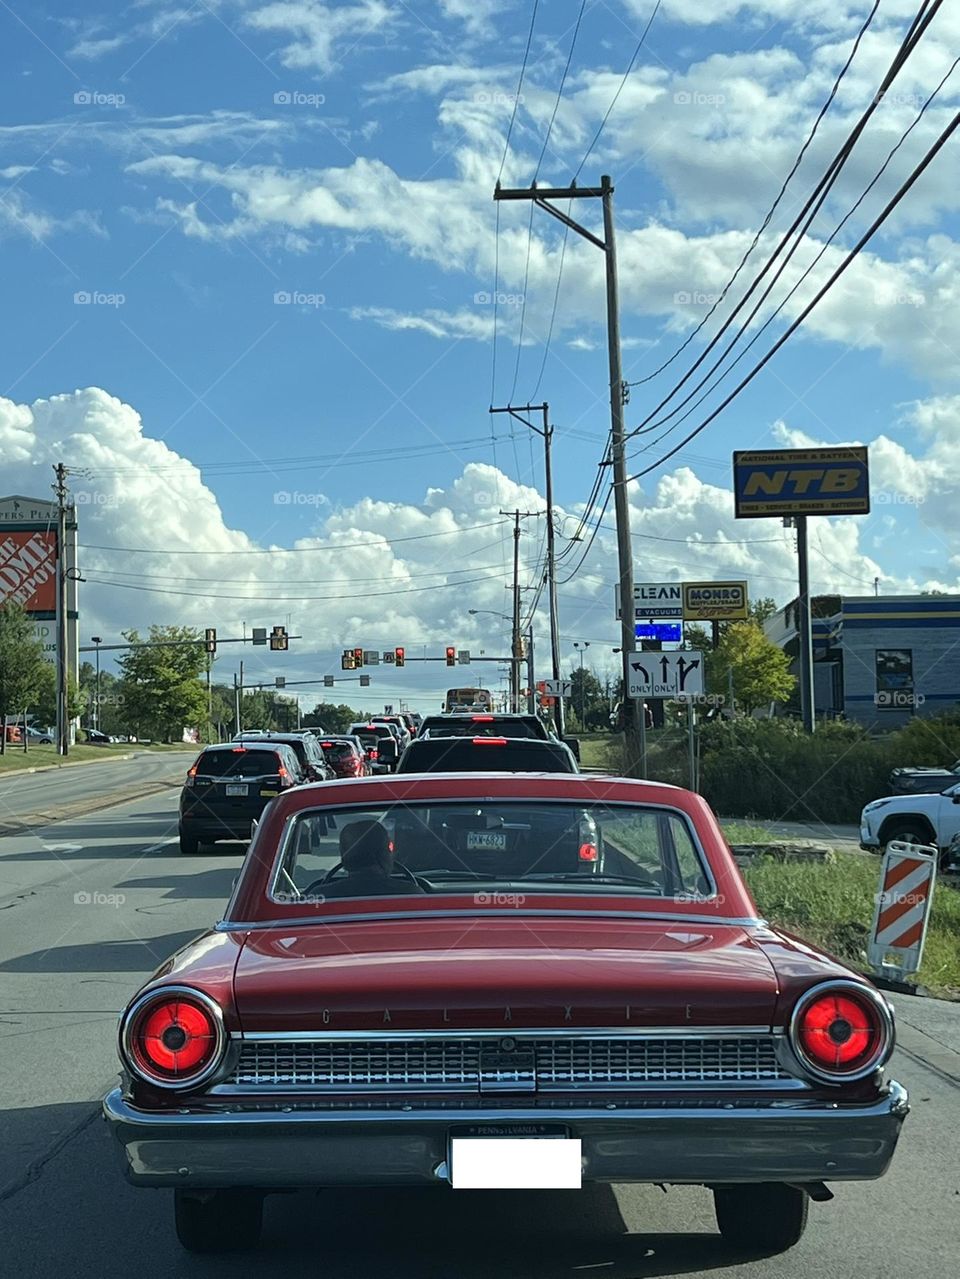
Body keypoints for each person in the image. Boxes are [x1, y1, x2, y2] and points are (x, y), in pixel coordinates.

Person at [318, 818, 423, 897]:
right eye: (390, 848)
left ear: (343, 854)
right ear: (384, 854)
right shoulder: (410, 893)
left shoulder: (321, 897)